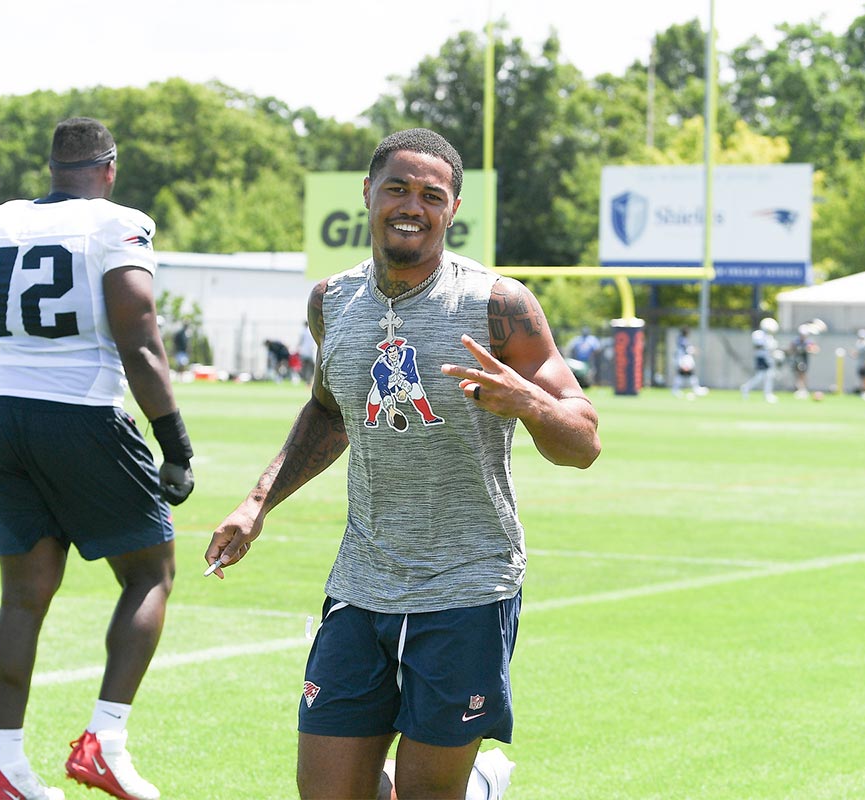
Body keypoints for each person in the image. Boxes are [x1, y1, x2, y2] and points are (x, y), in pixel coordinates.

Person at [204, 128, 601, 800]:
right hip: (363, 581)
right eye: (397, 188)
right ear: (368, 193)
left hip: (466, 586)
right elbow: (329, 412)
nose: (411, 205)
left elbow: (583, 440)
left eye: (431, 195)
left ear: (451, 209)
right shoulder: (332, 301)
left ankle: (477, 784)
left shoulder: (496, 304)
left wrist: (527, 401)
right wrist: (257, 502)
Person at [0, 117, 195, 800]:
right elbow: (139, 334)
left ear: (52, 167)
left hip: (3, 414)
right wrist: (174, 442)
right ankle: (105, 743)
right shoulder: (115, 223)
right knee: (150, 573)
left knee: (22, 597)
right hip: (85, 410)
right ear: (109, 168)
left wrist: (21, 407)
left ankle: (5, 765)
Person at [740, 317, 780, 403]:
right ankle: (746, 387)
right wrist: (767, 347)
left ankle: (767, 394)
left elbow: (772, 349)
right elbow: (757, 346)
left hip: (768, 358)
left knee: (769, 376)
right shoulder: (758, 334)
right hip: (761, 358)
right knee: (760, 376)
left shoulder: (770, 337)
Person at [670, 326, 707, 399]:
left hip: (683, 358)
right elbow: (685, 349)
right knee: (683, 373)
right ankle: (676, 390)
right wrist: (693, 351)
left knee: (687, 373)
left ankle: (693, 388)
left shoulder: (682, 339)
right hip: (683, 359)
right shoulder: (682, 339)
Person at [788, 322, 821, 399]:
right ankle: (799, 389)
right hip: (796, 359)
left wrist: (810, 350)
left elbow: (816, 350)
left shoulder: (808, 342)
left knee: (803, 374)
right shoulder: (796, 341)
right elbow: (790, 350)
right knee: (797, 374)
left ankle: (803, 389)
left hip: (804, 360)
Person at [295, 319, 317, 384]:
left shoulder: (303, 332)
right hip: (311, 352)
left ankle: (305, 379)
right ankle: (309, 381)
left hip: (304, 352)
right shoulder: (312, 331)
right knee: (311, 368)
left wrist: (297, 348)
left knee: (304, 367)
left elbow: (300, 342)